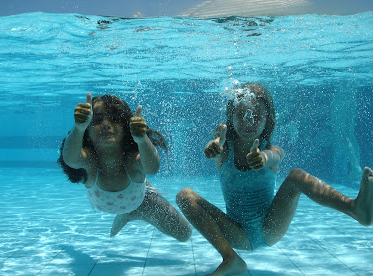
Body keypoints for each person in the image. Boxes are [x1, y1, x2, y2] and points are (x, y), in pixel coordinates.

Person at [176, 82, 373, 276]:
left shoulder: (271, 150)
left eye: (256, 116)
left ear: (267, 121)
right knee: (184, 196)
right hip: (238, 233)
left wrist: (262, 158)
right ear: (231, 117)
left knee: (296, 175)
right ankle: (231, 259)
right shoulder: (224, 149)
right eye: (242, 115)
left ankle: (354, 208)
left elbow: (274, 157)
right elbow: (216, 148)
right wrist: (213, 147)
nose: (248, 122)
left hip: (270, 227)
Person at [58, 93, 191, 242]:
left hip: (143, 200)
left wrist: (142, 139)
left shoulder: (131, 160)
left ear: (126, 126)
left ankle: (134, 210)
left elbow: (152, 167)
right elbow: (70, 159)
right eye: (97, 120)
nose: (106, 124)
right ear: (88, 131)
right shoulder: (90, 160)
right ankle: (129, 213)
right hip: (128, 198)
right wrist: (79, 127)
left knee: (184, 234)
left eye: (115, 119)